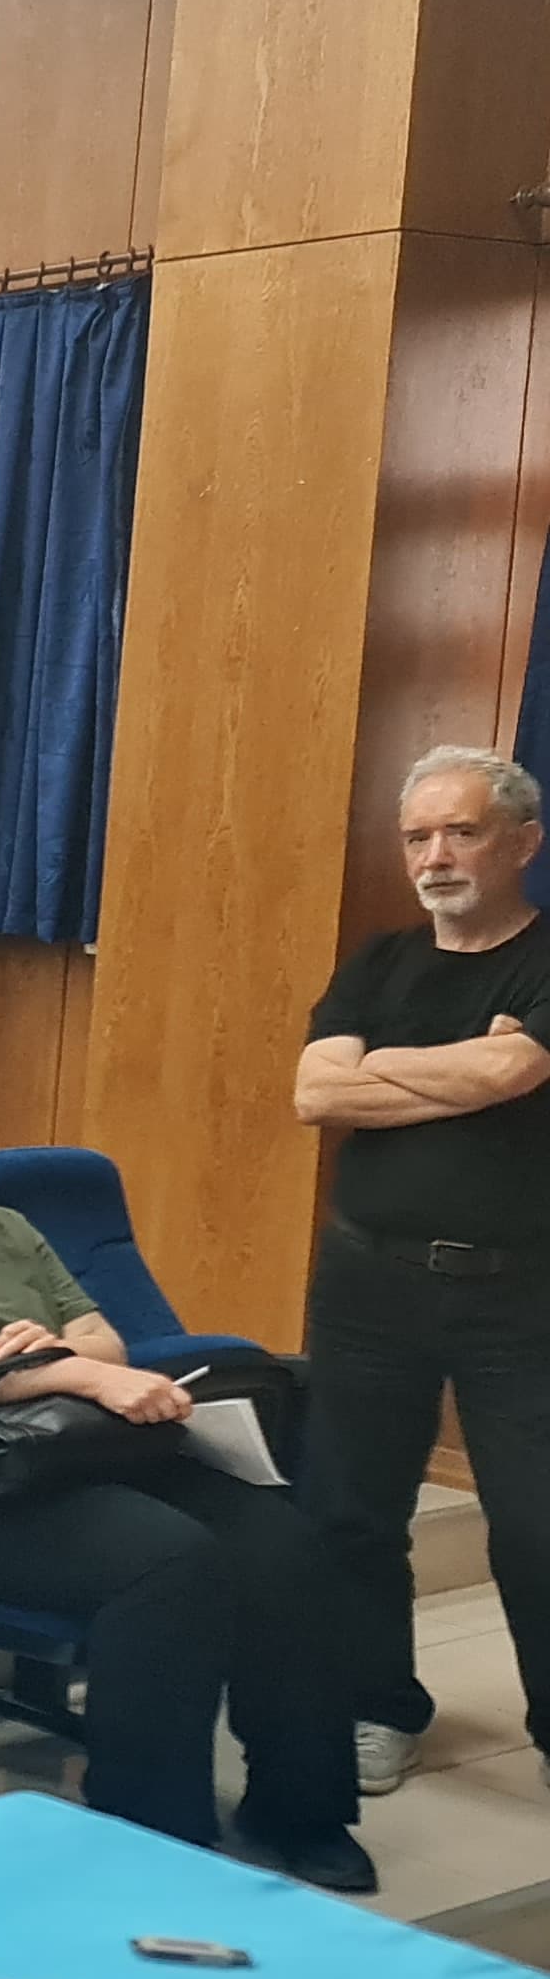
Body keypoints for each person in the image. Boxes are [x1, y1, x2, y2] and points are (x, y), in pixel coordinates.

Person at [0, 1071, 374, 1887]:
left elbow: (107, 1341)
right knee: (168, 1562)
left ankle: (300, 1811)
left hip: (70, 1452)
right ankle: (150, 1832)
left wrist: (55, 1360)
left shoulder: (4, 1228)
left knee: (282, 1546)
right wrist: (70, 1370)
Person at [291, 744, 550, 1796]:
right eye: (417, 837)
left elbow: (515, 1067)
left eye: (461, 832)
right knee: (350, 1511)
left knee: (536, 1524)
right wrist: (469, 1068)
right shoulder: (378, 962)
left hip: (519, 1293)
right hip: (367, 1285)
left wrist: (382, 1066)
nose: (434, 855)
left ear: (523, 843)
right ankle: (377, 1706)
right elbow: (316, 1094)